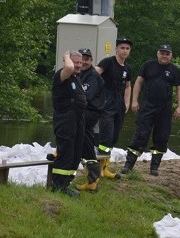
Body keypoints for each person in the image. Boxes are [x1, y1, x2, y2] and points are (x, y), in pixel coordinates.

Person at [120, 44, 180, 176]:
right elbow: (138, 82)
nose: (164, 55)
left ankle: (154, 167)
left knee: (161, 137)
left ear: (171, 55)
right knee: (140, 135)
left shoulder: (174, 70)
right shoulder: (148, 65)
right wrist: (134, 101)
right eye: (162, 53)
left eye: (167, 53)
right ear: (157, 54)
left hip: (165, 108)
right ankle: (128, 165)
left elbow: (179, 88)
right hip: (147, 106)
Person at [50, 51, 87, 197]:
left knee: (76, 153)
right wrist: (66, 57)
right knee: (66, 152)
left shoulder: (77, 78)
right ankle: (58, 186)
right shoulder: (62, 75)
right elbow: (70, 68)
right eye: (75, 62)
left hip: (77, 118)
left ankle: (66, 183)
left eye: (80, 62)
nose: (78, 65)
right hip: (65, 119)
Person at [96, 37, 133, 179]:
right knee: (106, 135)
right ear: (116, 49)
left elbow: (128, 86)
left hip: (119, 105)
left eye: (127, 48)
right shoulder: (108, 62)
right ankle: (97, 170)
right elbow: (94, 75)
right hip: (106, 103)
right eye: (122, 48)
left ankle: (105, 168)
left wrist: (127, 103)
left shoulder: (127, 68)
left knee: (114, 137)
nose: (124, 51)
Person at [76, 48, 106, 192]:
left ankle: (61, 150)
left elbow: (85, 97)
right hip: (84, 112)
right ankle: (93, 180)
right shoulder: (79, 74)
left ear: (91, 61)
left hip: (90, 112)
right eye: (82, 59)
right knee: (87, 143)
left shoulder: (93, 76)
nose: (84, 62)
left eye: (87, 59)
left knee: (71, 128)